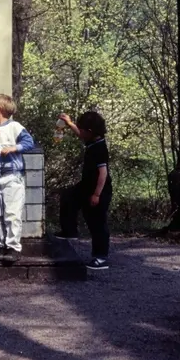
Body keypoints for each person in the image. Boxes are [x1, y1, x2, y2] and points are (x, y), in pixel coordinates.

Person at [0, 93, 35, 264]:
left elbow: (29, 142)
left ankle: (13, 246)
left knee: (12, 212)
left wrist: (14, 148)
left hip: (11, 176)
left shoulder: (15, 127)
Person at [57, 110, 112, 271]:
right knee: (68, 197)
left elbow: (103, 173)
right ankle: (69, 231)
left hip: (99, 189)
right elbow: (80, 134)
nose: (79, 133)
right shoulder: (92, 140)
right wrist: (69, 123)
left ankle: (100, 257)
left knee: (97, 222)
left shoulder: (100, 148)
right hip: (86, 185)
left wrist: (96, 195)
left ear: (90, 131)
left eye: (82, 130)